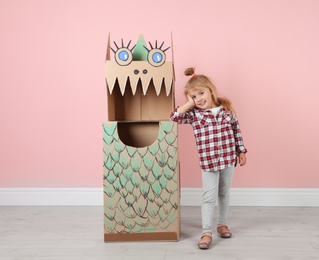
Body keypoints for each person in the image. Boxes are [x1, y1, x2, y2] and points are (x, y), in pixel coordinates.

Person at [170, 67, 247, 250]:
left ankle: (221, 224)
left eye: (201, 93)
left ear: (211, 91)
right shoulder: (195, 115)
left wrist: (241, 151)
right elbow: (174, 116)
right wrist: (189, 104)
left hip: (228, 159)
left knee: (224, 193)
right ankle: (206, 231)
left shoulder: (227, 111)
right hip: (209, 162)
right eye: (194, 97)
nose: (199, 99)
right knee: (208, 197)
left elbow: (236, 131)